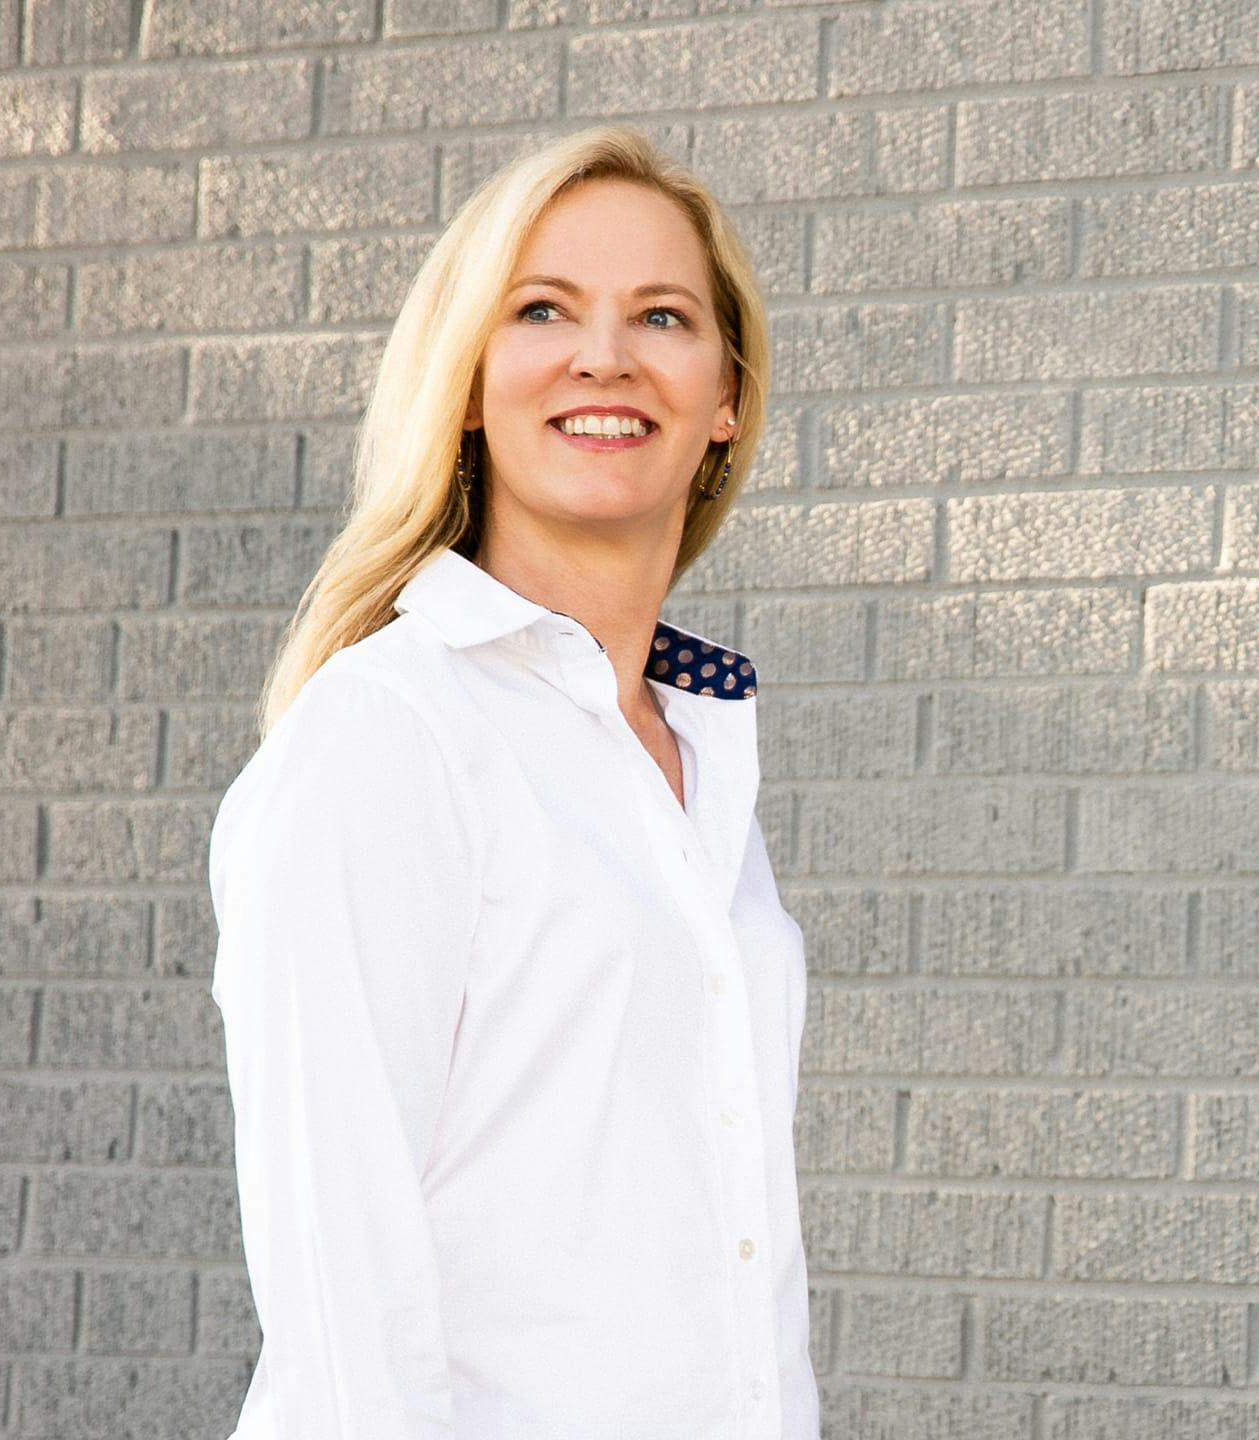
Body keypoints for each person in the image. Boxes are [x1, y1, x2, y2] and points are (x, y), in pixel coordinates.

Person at [207, 123, 819, 1440]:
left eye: (663, 314)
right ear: (471, 382)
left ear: (726, 399)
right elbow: (343, 1296)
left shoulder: (694, 757)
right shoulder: (390, 735)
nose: (606, 354)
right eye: (543, 309)